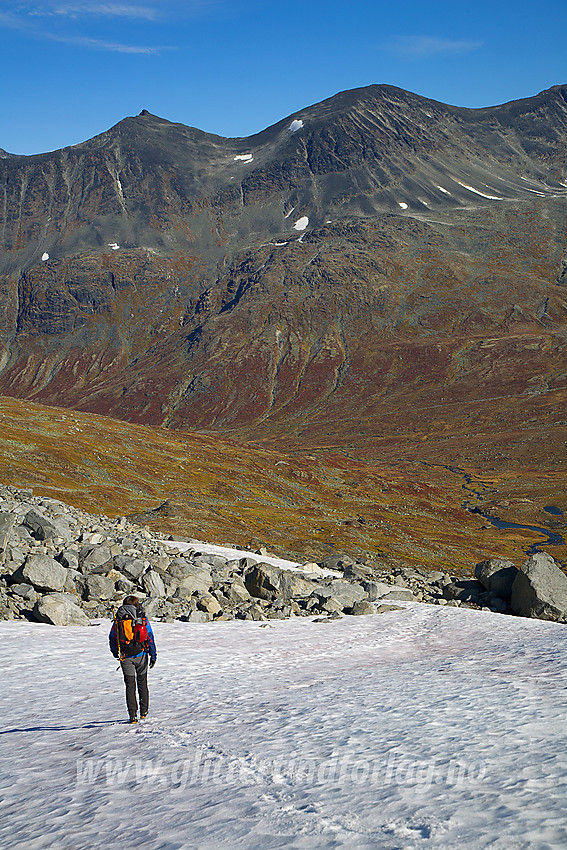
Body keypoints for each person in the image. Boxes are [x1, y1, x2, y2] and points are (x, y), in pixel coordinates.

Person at [109, 595, 157, 724]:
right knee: (142, 683)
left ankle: (133, 715)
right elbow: (149, 637)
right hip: (141, 655)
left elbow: (112, 637)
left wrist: (115, 653)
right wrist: (153, 655)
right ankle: (144, 711)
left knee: (130, 686)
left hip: (125, 657)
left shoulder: (118, 619)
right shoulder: (141, 618)